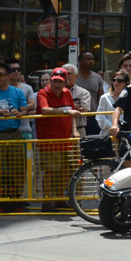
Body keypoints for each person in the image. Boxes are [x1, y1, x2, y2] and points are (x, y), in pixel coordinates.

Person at [0, 61, 29, 213]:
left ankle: (16, 199)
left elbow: (24, 109)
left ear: (8, 76)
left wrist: (19, 113)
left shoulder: (17, 92)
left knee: (19, 168)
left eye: (1, 75)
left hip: (14, 133)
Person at [35, 68, 80, 212]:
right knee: (50, 171)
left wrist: (74, 130)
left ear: (65, 83)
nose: (56, 85)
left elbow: (72, 113)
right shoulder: (43, 92)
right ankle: (48, 200)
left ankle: (61, 198)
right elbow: (45, 110)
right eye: (54, 81)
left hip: (65, 139)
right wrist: (66, 111)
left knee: (65, 171)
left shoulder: (67, 93)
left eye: (60, 82)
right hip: (49, 139)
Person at [7, 62, 38, 140]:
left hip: (25, 130)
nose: (16, 72)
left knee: (26, 152)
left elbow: (32, 105)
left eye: (18, 69)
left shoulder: (28, 88)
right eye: (13, 70)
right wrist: (24, 108)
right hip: (7, 130)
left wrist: (18, 109)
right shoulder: (3, 89)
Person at [62, 63, 93, 138]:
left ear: (76, 76)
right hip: (61, 130)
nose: (66, 76)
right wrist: (75, 105)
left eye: (69, 73)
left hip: (79, 130)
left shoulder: (83, 93)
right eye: (64, 74)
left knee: (79, 149)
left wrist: (62, 107)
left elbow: (84, 109)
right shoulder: (55, 92)